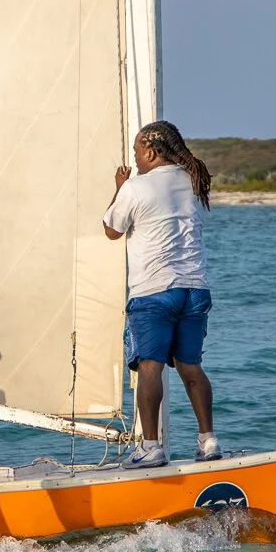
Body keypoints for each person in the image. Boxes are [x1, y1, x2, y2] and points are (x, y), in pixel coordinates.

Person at [103, 120, 219, 468]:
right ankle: (208, 441)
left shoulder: (136, 187)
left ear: (151, 151)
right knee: (191, 367)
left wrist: (120, 187)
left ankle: (151, 447)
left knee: (149, 367)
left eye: (139, 150)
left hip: (154, 291)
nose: (136, 158)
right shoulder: (191, 181)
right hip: (194, 289)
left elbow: (111, 230)